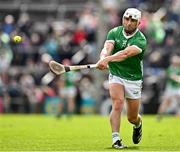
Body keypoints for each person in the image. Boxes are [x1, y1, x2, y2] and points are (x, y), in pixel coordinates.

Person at [96, 8, 147, 149]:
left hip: (133, 78)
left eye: (133, 20)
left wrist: (107, 60)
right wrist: (102, 58)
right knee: (117, 104)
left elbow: (125, 54)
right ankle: (116, 139)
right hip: (116, 74)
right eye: (126, 19)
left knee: (132, 117)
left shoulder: (141, 40)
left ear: (138, 23)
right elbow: (107, 47)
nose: (129, 23)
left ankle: (138, 124)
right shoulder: (114, 32)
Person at [157, 55, 180, 120]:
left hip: (178, 87)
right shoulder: (170, 68)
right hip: (171, 87)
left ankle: (178, 114)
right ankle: (159, 115)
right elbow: (172, 77)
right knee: (166, 101)